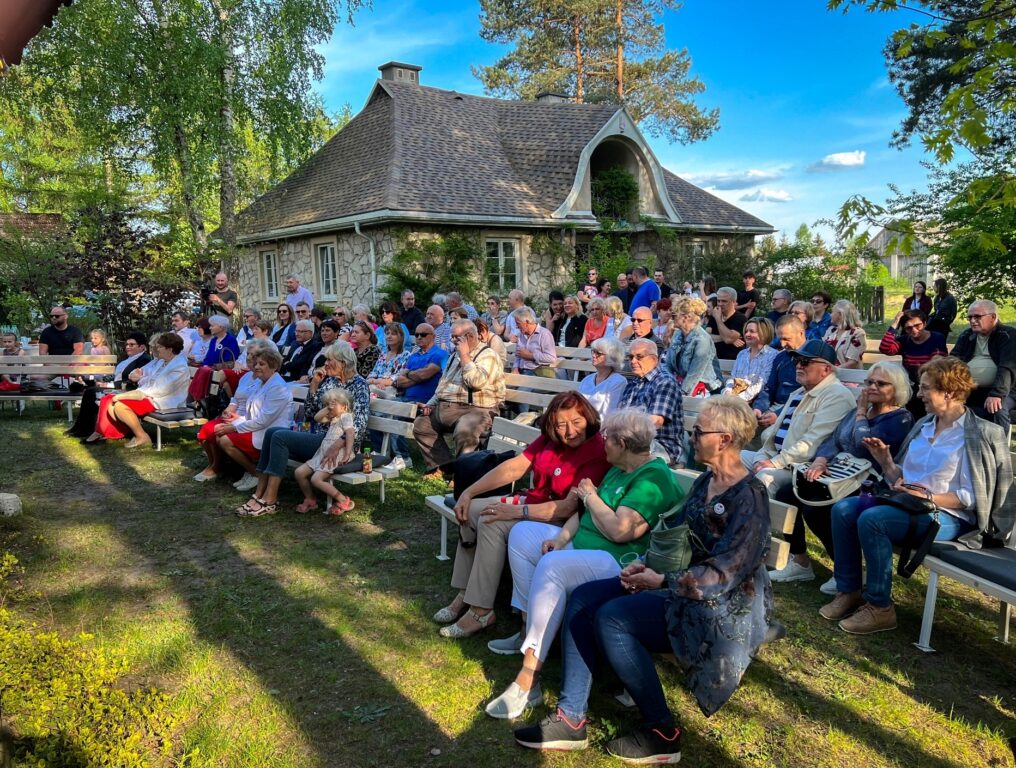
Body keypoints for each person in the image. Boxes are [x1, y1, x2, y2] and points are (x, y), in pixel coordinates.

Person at [515, 397, 772, 761]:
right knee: (585, 599)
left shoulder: (749, 496)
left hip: (721, 607)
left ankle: (663, 731)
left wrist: (663, 579)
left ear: (725, 440)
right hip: (682, 585)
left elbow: (726, 573)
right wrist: (644, 564)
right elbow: (676, 537)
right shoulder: (706, 481)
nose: (692, 437)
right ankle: (571, 718)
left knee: (612, 618)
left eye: (699, 432)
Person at [485, 408, 682, 719]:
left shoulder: (653, 477)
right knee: (523, 535)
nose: (602, 443)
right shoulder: (620, 468)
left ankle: (528, 677)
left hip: (618, 562)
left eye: (607, 439)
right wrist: (562, 539)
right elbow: (584, 513)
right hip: (585, 545)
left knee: (553, 567)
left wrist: (591, 498)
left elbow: (620, 531)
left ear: (624, 443)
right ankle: (529, 629)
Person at [823, 356, 1014, 634]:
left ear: (948, 392)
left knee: (873, 519)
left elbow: (970, 498)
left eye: (926, 388)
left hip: (949, 516)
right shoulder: (924, 425)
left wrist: (927, 496)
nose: (920, 394)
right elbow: (901, 481)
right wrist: (886, 461)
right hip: (907, 504)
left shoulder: (980, 434)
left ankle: (880, 607)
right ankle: (849, 590)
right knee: (844, 509)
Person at [435, 392, 611, 641]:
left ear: (588, 419)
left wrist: (516, 511)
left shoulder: (597, 452)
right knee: (472, 508)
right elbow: (516, 467)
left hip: (557, 520)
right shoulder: (550, 440)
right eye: (562, 424)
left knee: (491, 520)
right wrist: (468, 493)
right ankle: (465, 593)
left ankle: (481, 611)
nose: (570, 431)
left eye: (577, 422)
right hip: (532, 502)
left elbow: (568, 509)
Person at [775, 361, 914, 588]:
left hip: (870, 483)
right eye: (869, 382)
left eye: (881, 383)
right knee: (785, 493)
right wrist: (821, 460)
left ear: (896, 388)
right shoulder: (859, 412)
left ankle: (846, 570)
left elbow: (862, 445)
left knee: (816, 510)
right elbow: (834, 439)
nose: (872, 387)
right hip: (839, 474)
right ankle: (799, 561)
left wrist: (860, 413)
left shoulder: (900, 418)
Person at [237, 342, 370, 517]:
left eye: (330, 360)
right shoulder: (330, 381)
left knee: (280, 437)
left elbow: (359, 424)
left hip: (337, 443)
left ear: (343, 363)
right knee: (272, 432)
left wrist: (338, 445)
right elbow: (309, 412)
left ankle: (270, 499)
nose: (326, 363)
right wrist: (314, 385)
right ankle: (259, 493)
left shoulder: (359, 385)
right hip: (318, 436)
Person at [740, 339, 855, 503]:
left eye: (806, 362)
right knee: (730, 459)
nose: (798, 366)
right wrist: (762, 459)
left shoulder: (836, 395)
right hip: (779, 458)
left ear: (826, 369)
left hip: (803, 467)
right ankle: (716, 515)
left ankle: (756, 526)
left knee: (764, 477)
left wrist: (774, 463)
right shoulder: (800, 392)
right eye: (797, 361)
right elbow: (771, 439)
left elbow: (811, 444)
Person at [413, 319, 505, 480]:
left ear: (469, 336)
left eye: (456, 337)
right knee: (422, 424)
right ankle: (444, 466)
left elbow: (477, 382)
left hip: (477, 409)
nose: (452, 341)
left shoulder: (488, 355)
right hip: (447, 407)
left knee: (465, 430)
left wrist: (465, 356)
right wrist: (430, 404)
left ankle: (463, 475)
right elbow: (443, 387)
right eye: (452, 337)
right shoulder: (454, 356)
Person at [82, 332, 190, 448]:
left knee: (119, 405)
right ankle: (114, 431)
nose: (157, 350)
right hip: (151, 395)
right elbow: (148, 379)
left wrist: (130, 394)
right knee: (111, 402)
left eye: (160, 347)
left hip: (165, 401)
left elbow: (159, 390)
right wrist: (139, 384)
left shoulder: (179, 366)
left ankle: (141, 436)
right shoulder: (163, 362)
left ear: (170, 349)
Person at [65, 332, 151, 438]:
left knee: (92, 393)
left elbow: (132, 381)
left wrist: (109, 384)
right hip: (116, 386)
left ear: (142, 347)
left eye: (132, 345)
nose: (128, 347)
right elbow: (117, 375)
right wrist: (103, 380)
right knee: (90, 391)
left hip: (126, 390)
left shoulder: (144, 360)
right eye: (127, 344)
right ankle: (80, 428)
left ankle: (86, 429)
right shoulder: (129, 358)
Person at [950, 300, 1016, 433]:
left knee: (997, 409)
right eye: (970, 317)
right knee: (946, 404)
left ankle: (998, 450)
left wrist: (997, 394)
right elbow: (953, 360)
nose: (972, 321)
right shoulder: (967, 335)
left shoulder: (1007, 335)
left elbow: (1007, 367)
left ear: (993, 317)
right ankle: (954, 447)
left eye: (977, 317)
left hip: (1006, 389)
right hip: (971, 389)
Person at [619, 339, 685, 466]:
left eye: (639, 357)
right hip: (634, 441)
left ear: (654, 359)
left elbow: (655, 422)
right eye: (631, 357)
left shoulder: (665, 382)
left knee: (615, 448)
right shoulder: (633, 383)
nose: (633, 361)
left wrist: (623, 434)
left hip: (661, 445)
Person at [294, 388, 357, 516]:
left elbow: (350, 433)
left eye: (333, 404)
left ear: (344, 406)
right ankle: (310, 499)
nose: (330, 407)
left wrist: (347, 453)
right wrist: (329, 408)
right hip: (323, 453)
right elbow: (317, 418)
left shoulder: (346, 416)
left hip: (337, 455)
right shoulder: (333, 417)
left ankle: (343, 500)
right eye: (328, 404)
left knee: (316, 479)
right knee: (299, 473)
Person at [879, 309, 948, 417]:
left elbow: (936, 363)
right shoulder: (904, 341)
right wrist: (895, 323)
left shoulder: (937, 338)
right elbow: (885, 348)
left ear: (924, 323)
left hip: (931, 386)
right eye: (909, 328)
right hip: (911, 388)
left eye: (918, 325)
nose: (914, 330)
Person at [754, 315, 809, 428]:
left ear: (801, 333)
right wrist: (758, 408)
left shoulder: (813, 358)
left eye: (787, 339)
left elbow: (808, 395)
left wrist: (779, 414)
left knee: (765, 434)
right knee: (745, 426)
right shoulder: (781, 357)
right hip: (775, 407)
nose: (782, 344)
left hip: (801, 410)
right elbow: (770, 388)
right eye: (780, 339)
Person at [663, 296, 722, 397]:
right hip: (680, 386)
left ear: (686, 317)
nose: (671, 319)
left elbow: (694, 374)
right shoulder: (677, 335)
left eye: (674, 316)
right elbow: (668, 365)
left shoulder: (702, 339)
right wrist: (665, 385)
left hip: (704, 390)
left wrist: (678, 395)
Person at [722, 317, 777, 403]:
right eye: (746, 331)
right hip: (734, 398)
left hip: (756, 401)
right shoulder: (742, 354)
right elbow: (733, 378)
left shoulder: (772, 355)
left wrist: (739, 398)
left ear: (763, 333)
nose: (747, 334)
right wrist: (728, 391)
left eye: (752, 331)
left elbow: (761, 384)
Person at [578, 337, 627, 421]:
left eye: (598, 353)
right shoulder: (587, 379)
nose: (593, 355)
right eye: (593, 351)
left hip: (600, 428)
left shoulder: (618, 382)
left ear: (611, 357)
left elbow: (609, 414)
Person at [513, 307, 557, 378]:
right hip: (521, 372)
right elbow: (518, 355)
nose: (516, 326)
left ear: (527, 322)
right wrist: (515, 369)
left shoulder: (544, 334)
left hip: (537, 373)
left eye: (518, 323)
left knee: (522, 389)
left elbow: (551, 358)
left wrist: (531, 355)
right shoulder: (521, 335)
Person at [822, 299, 866, 369]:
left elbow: (852, 363)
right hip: (829, 374)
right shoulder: (831, 330)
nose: (830, 315)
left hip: (849, 376)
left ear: (841, 314)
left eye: (833, 312)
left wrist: (832, 370)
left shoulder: (857, 333)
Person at [706, 287, 747, 360]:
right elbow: (706, 337)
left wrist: (718, 319)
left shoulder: (740, 318)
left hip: (732, 361)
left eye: (724, 301)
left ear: (734, 302)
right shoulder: (715, 315)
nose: (720, 304)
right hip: (714, 359)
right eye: (718, 301)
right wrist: (724, 337)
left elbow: (728, 339)